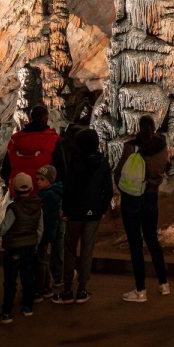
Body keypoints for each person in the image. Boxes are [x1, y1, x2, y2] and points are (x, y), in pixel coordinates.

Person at [114, 115, 170, 302]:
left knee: (135, 244)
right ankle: (164, 284)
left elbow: (120, 171)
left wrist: (122, 188)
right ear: (154, 127)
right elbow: (163, 168)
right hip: (151, 197)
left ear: (139, 127)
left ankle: (140, 290)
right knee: (152, 239)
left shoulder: (131, 146)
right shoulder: (162, 146)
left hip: (132, 199)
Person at [54, 128, 112, 304]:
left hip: (74, 212)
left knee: (70, 250)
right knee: (87, 250)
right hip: (93, 212)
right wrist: (101, 209)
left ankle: (66, 290)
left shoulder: (74, 161)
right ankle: (82, 290)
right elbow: (107, 190)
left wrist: (65, 209)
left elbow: (68, 188)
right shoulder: (102, 163)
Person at [0, 172, 43, 323]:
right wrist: (35, 242)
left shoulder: (14, 208)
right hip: (29, 246)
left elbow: (4, 228)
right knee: (28, 276)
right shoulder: (38, 206)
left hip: (14, 247)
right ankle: (28, 306)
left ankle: (6, 312)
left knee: (10, 280)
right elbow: (40, 228)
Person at [1, 104, 60, 193]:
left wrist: (11, 185)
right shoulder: (53, 139)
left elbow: (5, 170)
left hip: (20, 192)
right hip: (44, 193)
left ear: (30, 119)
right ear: (46, 120)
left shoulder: (15, 140)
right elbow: (60, 168)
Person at [34, 165, 64, 299]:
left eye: (42, 179)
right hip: (51, 231)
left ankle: (44, 286)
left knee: (41, 259)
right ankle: (51, 281)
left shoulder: (47, 196)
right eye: (37, 179)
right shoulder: (55, 192)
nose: (38, 182)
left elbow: (49, 219)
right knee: (46, 257)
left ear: (50, 181)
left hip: (45, 232)